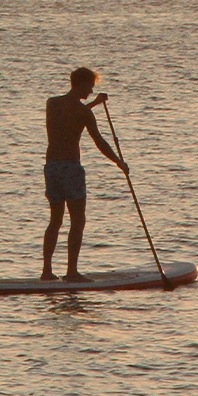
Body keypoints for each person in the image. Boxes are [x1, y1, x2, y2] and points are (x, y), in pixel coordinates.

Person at [42, 67, 126, 281]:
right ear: (80, 84)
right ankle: (71, 272)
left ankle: (47, 271)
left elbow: (72, 115)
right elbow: (99, 142)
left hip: (51, 168)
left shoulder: (52, 104)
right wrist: (119, 162)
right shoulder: (83, 112)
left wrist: (94, 105)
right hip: (71, 168)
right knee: (78, 220)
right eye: (89, 87)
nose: (90, 91)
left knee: (55, 220)